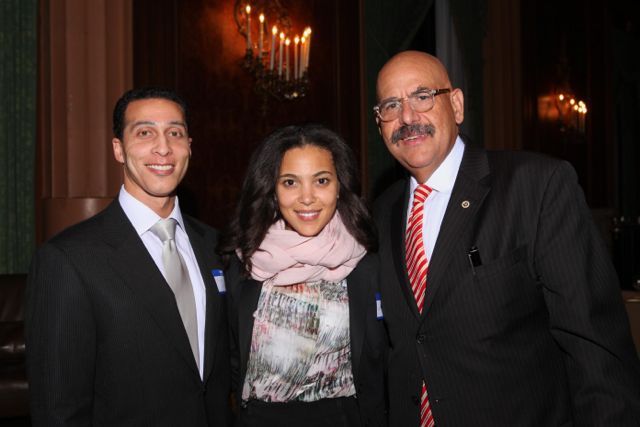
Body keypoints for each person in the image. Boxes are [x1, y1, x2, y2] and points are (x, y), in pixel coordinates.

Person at [373, 50, 640, 426]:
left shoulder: (537, 187)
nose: (407, 117)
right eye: (390, 105)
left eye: (422, 96)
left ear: (457, 105)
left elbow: (596, 351)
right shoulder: (381, 213)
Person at [25, 87, 231, 426]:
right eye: (145, 132)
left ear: (189, 148)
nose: (163, 147)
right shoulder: (67, 259)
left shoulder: (215, 246)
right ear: (118, 149)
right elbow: (57, 409)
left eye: (175, 133)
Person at [218, 124, 387, 427]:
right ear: (272, 188)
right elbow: (229, 360)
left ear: (339, 185)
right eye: (290, 182)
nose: (306, 198)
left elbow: (385, 363)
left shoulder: (367, 260)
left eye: (321, 180)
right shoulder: (243, 261)